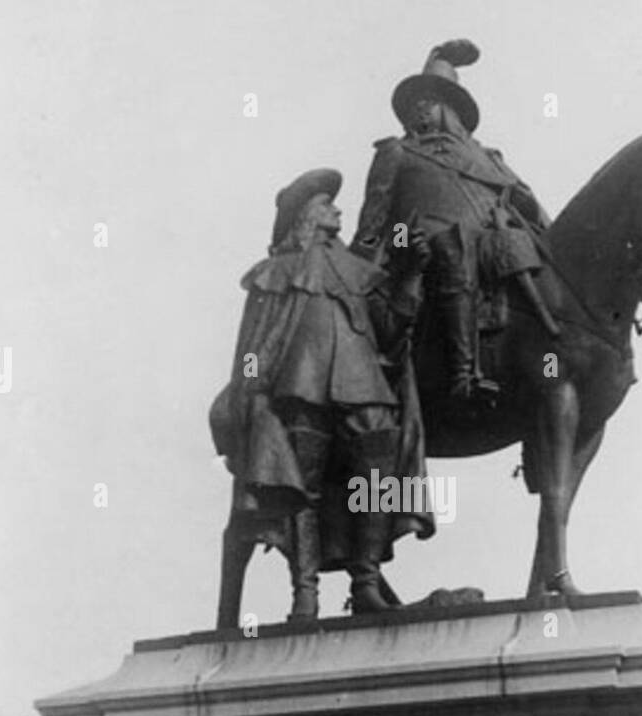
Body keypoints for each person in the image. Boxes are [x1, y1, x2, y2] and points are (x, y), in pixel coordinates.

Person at [210, 168, 432, 623]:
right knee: (300, 490)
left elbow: (391, 333)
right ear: (306, 215)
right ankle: (304, 596)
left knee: (377, 479)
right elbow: (253, 345)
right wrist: (250, 394)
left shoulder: (360, 272)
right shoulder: (274, 273)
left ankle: (366, 583)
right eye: (328, 205)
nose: (338, 210)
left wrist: (409, 275)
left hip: (364, 387)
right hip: (299, 389)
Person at [351, 40, 556, 401]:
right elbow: (376, 220)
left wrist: (529, 211)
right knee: (455, 246)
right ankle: (464, 373)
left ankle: (557, 353)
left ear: (450, 109)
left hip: (491, 239)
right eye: (415, 105)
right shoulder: (396, 151)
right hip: (412, 239)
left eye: (428, 102)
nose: (420, 110)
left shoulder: (487, 156)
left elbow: (528, 202)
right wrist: (369, 261)